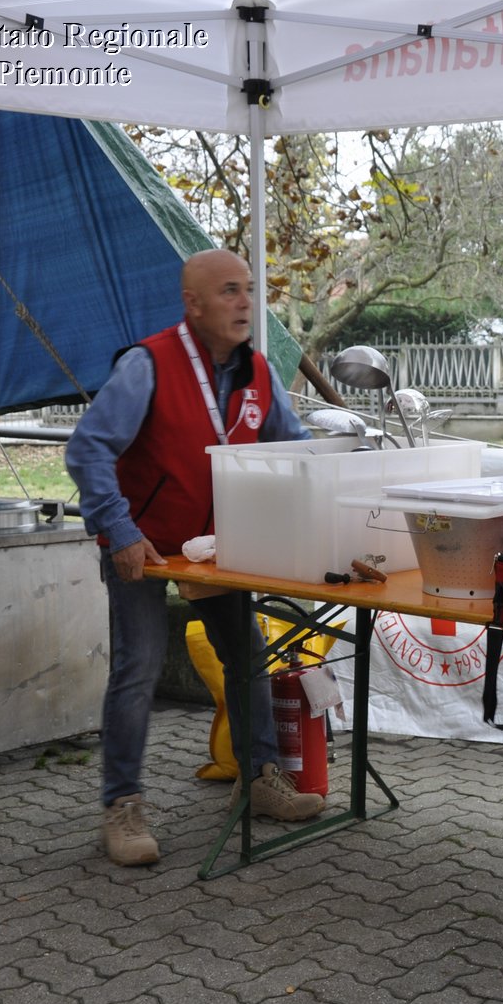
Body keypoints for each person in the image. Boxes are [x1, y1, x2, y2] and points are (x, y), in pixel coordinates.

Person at [66, 248, 324, 867]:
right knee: (139, 668)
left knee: (248, 656)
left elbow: (298, 449)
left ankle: (259, 777)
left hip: (215, 550)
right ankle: (121, 806)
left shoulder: (259, 372)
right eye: (230, 291)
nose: (244, 303)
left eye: (250, 290)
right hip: (144, 545)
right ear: (194, 303)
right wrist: (121, 530)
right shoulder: (147, 365)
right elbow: (87, 450)